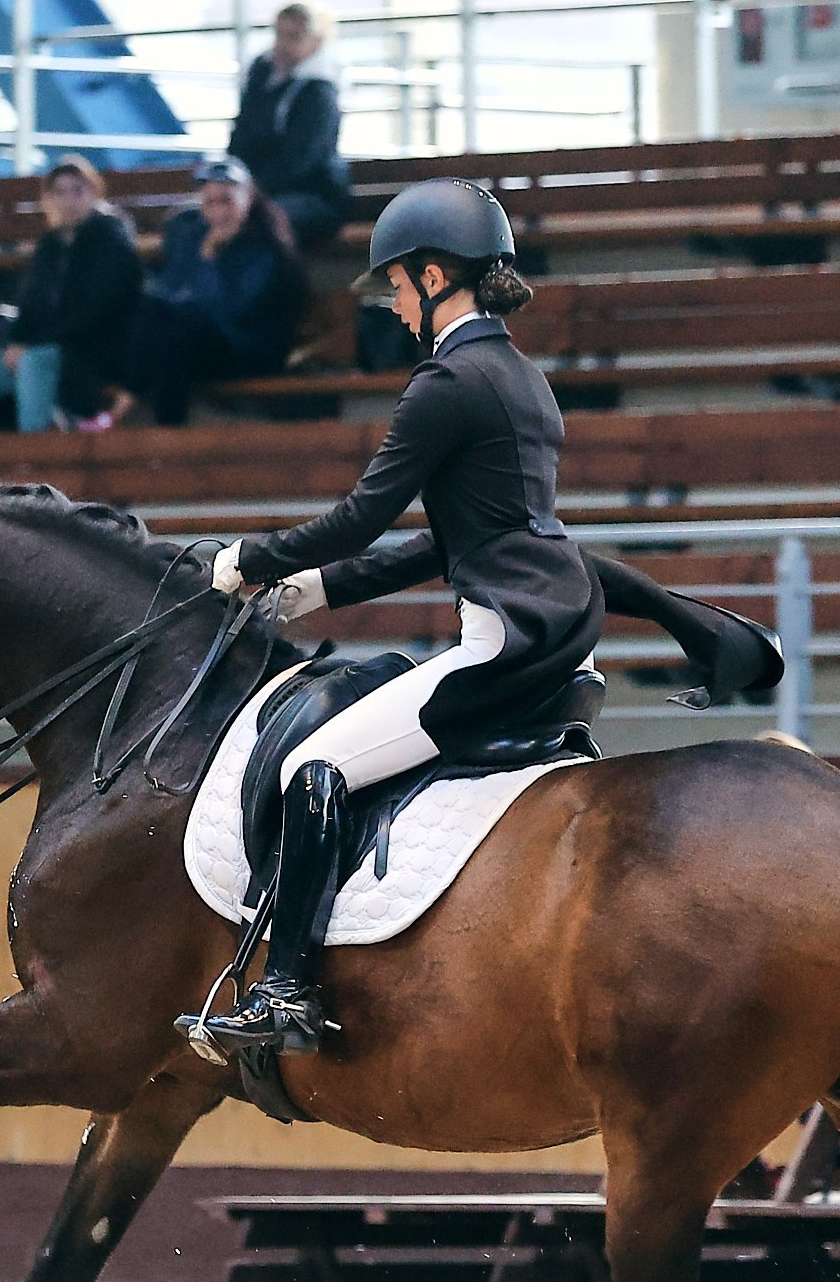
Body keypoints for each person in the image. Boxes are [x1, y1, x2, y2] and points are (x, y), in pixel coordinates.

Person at [194, 178, 784, 1056]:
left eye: (395, 285)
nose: (391, 306)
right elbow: (461, 539)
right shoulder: (520, 378)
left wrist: (254, 558)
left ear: (435, 277)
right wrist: (323, 590)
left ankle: (287, 993)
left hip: (505, 647)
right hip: (561, 641)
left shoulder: (444, 383)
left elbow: (361, 517)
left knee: (313, 768)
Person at [0, 157, 143, 435]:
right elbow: (31, 304)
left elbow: (98, 310)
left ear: (93, 192)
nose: (68, 200)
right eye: (59, 192)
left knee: (33, 362)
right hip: (42, 346)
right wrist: (14, 342)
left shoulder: (112, 240)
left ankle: (35, 457)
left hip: (88, 351)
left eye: (77, 190)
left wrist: (34, 344)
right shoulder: (50, 245)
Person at [112, 156, 307, 428]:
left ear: (248, 198)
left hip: (247, 349)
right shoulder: (193, 237)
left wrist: (209, 261)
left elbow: (228, 310)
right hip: (198, 343)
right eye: (210, 203)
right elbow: (167, 291)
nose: (218, 212)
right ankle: (160, 426)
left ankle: (127, 410)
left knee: (177, 333)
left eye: (226, 201)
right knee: (161, 324)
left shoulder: (266, 251)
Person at [228, 1, 350, 251]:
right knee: (206, 214)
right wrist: (233, 179)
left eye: (293, 36)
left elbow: (303, 160)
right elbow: (242, 133)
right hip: (259, 189)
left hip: (314, 194)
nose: (282, 45)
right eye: (279, 34)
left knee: (259, 220)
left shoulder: (319, 91)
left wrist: (255, 190)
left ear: (315, 41)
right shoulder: (261, 76)